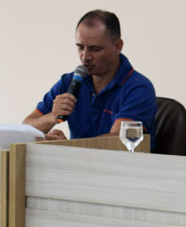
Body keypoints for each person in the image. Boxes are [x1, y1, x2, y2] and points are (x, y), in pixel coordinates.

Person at [23, 10, 157, 146]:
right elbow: (25, 128)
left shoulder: (138, 88)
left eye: (95, 49)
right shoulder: (70, 82)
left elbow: (118, 142)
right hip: (77, 158)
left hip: (120, 160)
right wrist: (51, 117)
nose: (85, 56)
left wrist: (67, 147)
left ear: (117, 46)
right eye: (80, 48)